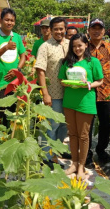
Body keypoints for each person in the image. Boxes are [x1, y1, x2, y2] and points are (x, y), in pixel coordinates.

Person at [59, 34, 103, 179]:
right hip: (69, 102)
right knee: (72, 134)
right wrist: (67, 83)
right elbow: (61, 80)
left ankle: (82, 167)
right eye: (74, 46)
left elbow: (100, 81)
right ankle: (74, 163)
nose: (77, 48)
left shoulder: (93, 62)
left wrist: (89, 84)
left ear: (85, 45)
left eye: (80, 45)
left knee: (83, 136)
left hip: (86, 102)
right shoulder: (67, 62)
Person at [35, 17, 70, 167]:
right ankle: (47, 157)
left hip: (70, 93)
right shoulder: (45, 47)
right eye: (55, 29)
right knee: (52, 125)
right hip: (53, 94)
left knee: (64, 125)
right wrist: (45, 93)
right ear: (50, 29)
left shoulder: (70, 44)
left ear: (65, 29)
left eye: (61, 28)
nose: (59, 31)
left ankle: (57, 151)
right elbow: (40, 71)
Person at [86, 18, 110, 165]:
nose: (96, 31)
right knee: (87, 124)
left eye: (99, 28)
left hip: (106, 92)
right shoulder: (83, 48)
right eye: (93, 28)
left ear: (104, 31)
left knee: (105, 124)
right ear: (88, 31)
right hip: (86, 92)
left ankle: (101, 150)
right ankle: (87, 152)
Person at [0, 8, 26, 124]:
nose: (9, 23)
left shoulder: (17, 37)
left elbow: (23, 56)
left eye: (12, 20)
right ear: (0, 20)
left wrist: (18, 70)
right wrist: (5, 48)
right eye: (7, 20)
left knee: (12, 117)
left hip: (14, 84)